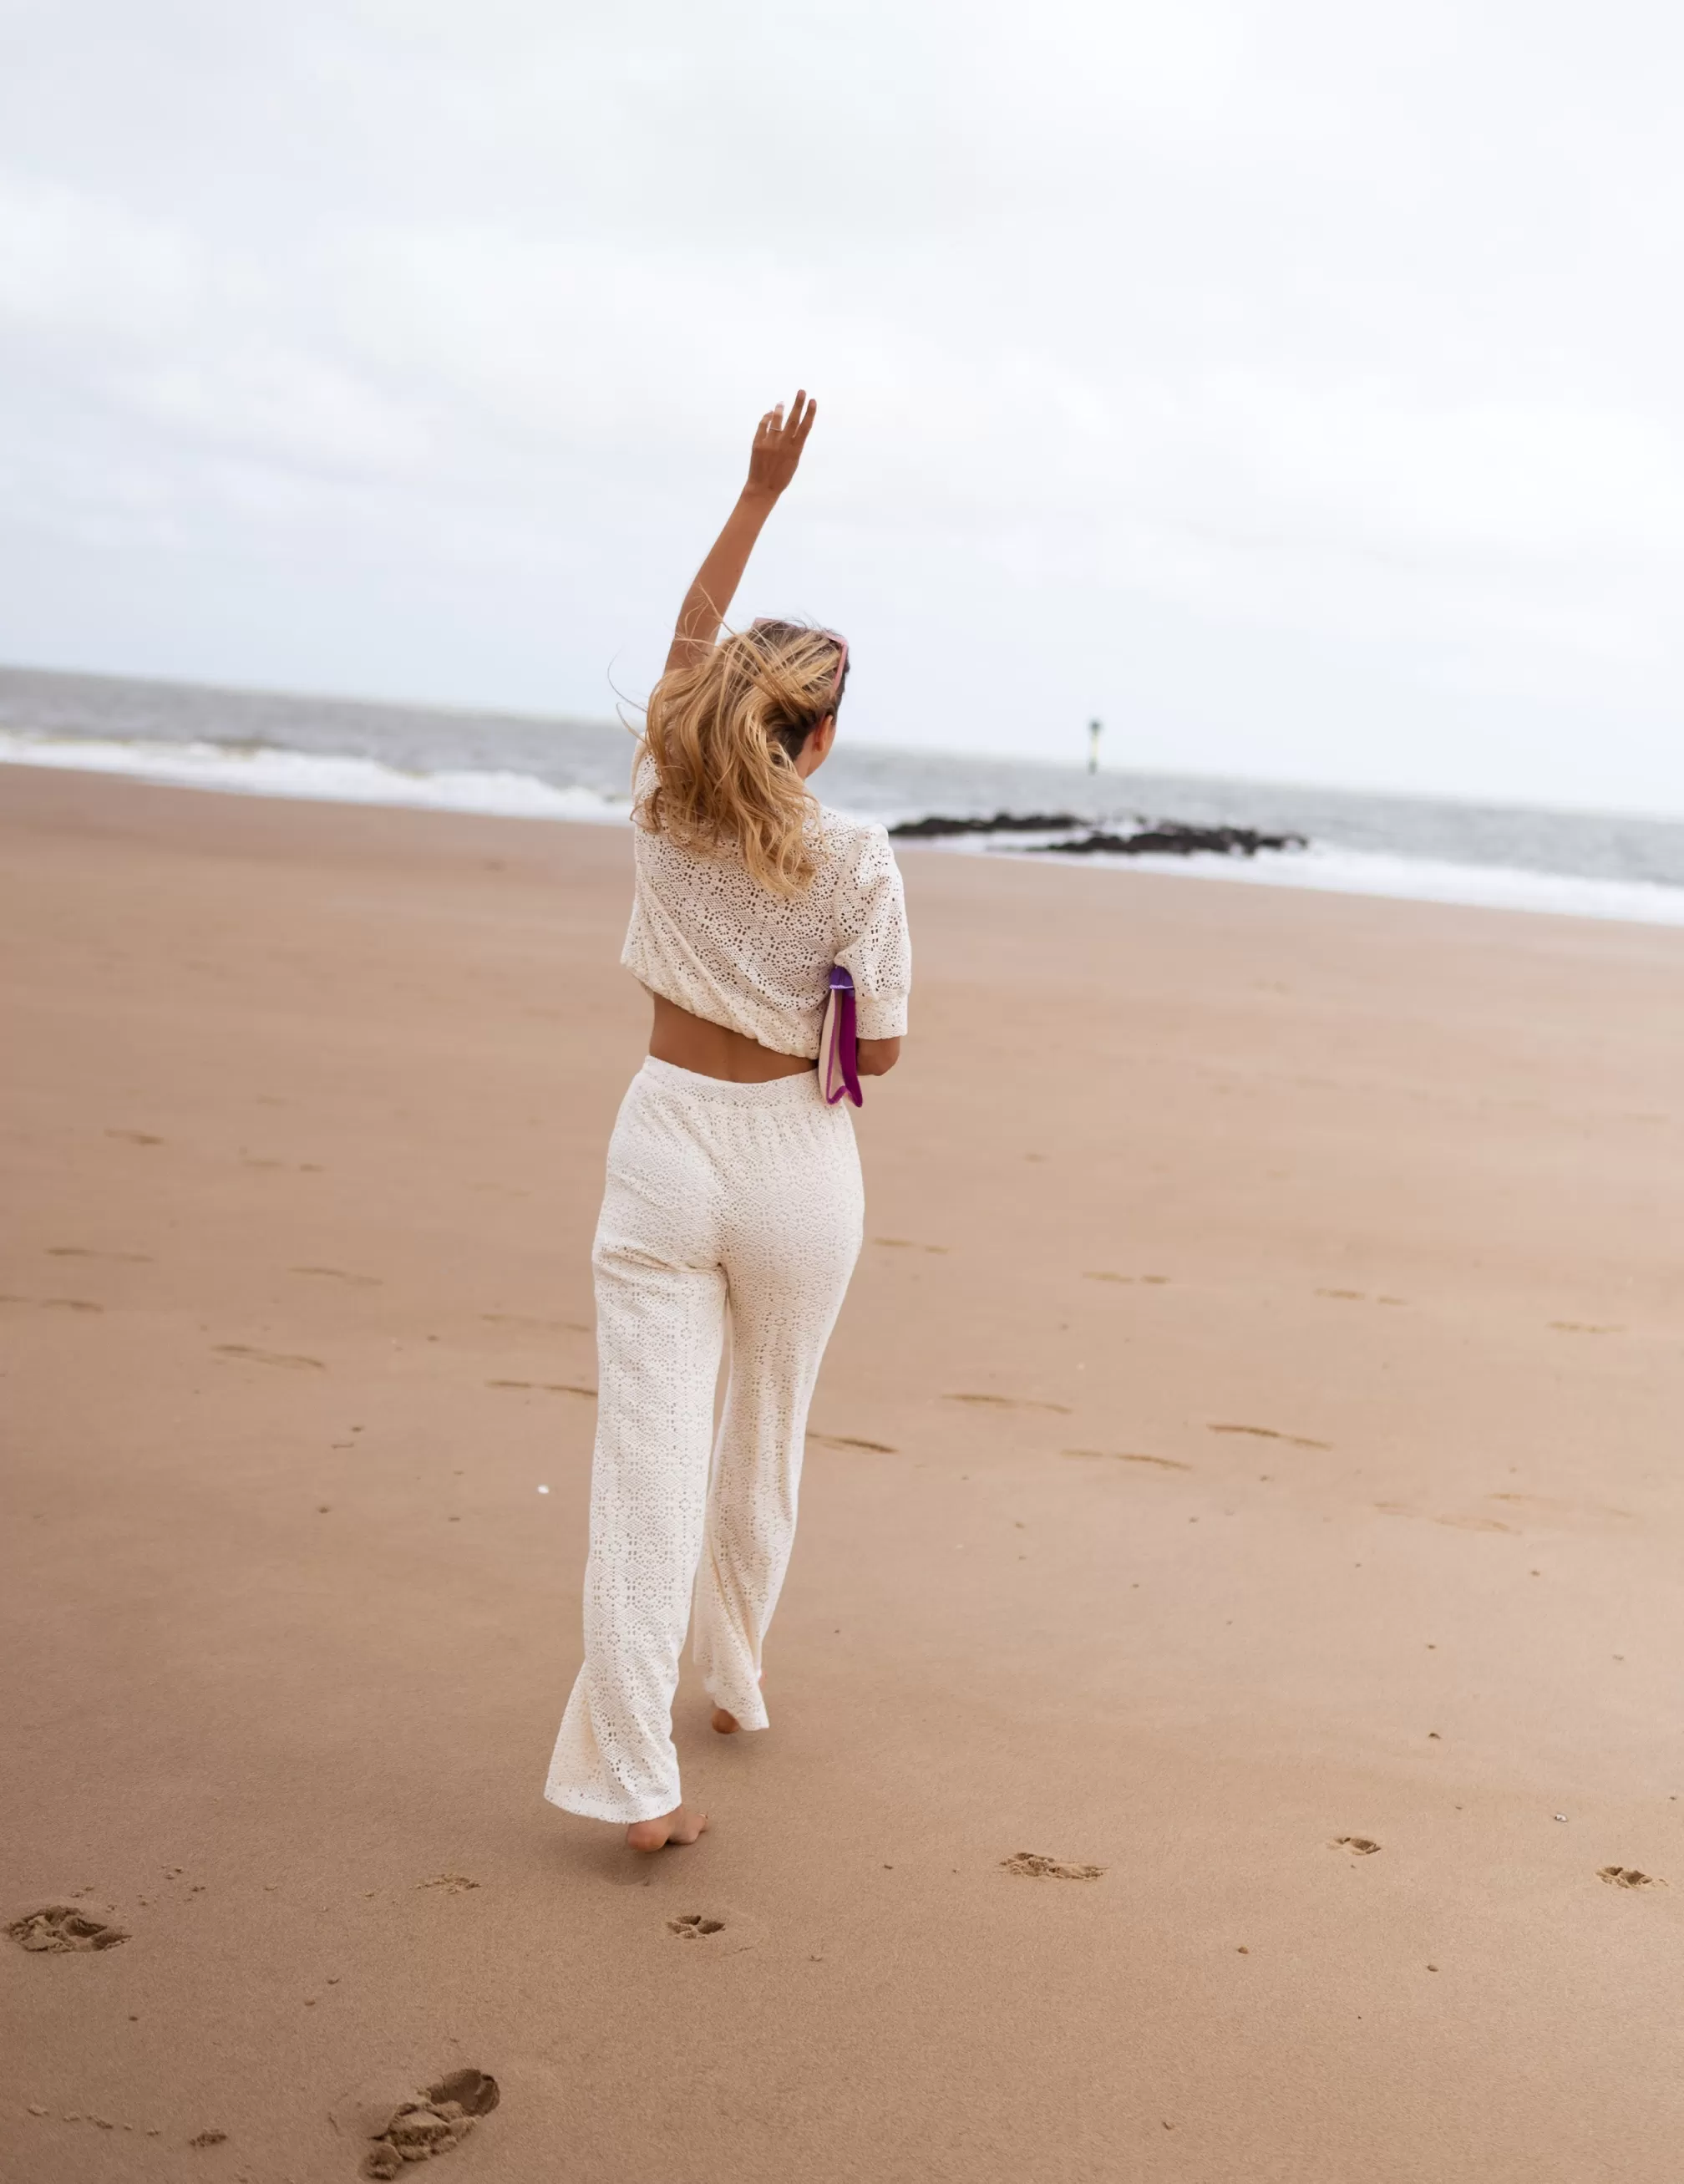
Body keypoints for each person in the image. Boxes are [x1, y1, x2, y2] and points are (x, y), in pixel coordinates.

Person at [544, 392, 912, 1851]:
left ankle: (638, 1783)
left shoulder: (660, 792)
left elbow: (689, 645)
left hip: (664, 1141)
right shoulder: (855, 855)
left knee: (647, 1465)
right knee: (766, 1433)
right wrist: (819, 989)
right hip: (793, 1169)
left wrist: (758, 493)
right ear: (820, 738)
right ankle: (736, 1682)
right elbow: (882, 1040)